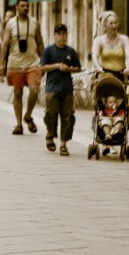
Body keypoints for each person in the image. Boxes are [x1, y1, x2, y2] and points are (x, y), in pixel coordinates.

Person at [0, 0, 44, 135]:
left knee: (34, 90)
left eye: (27, 6)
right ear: (17, 8)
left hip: (32, 62)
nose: (25, 8)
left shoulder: (34, 23)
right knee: (17, 93)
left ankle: (28, 115)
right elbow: (5, 44)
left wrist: (44, 61)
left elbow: (40, 42)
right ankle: (19, 124)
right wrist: (2, 63)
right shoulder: (10, 24)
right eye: (22, 6)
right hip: (15, 63)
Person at [39, 24, 81, 156]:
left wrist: (69, 69)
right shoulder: (49, 50)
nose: (62, 37)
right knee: (51, 113)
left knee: (67, 117)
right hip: (52, 87)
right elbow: (41, 67)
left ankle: (63, 144)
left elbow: (78, 68)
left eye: (64, 34)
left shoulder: (71, 51)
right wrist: (57, 66)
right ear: (55, 35)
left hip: (67, 87)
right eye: (59, 34)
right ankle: (50, 135)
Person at [91, 10, 129, 80]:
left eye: (115, 23)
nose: (114, 26)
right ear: (105, 25)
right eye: (111, 23)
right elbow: (94, 56)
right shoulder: (99, 41)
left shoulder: (124, 39)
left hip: (120, 74)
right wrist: (98, 67)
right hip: (104, 74)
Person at [0, 10, 15, 82]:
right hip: (3, 46)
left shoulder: (12, 25)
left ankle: (0, 76)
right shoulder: (3, 26)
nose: (8, 18)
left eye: (10, 16)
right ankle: (0, 76)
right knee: (2, 62)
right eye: (7, 16)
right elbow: (3, 38)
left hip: (7, 46)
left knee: (3, 62)